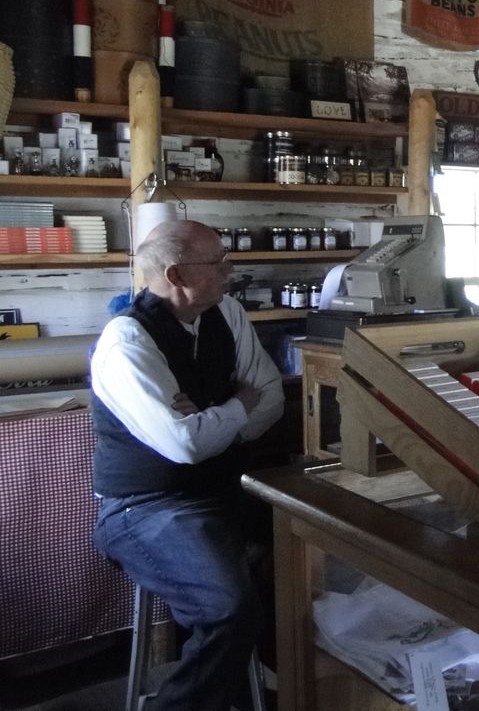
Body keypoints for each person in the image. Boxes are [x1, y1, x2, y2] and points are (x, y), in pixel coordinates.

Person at [91, 219, 284, 711]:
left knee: (313, 552)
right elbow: (184, 445)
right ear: (176, 275)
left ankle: (262, 685)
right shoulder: (126, 342)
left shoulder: (228, 314)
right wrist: (234, 408)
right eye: (218, 263)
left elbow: (272, 399)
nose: (230, 270)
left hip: (224, 491)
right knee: (228, 609)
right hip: (145, 509)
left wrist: (212, 424)